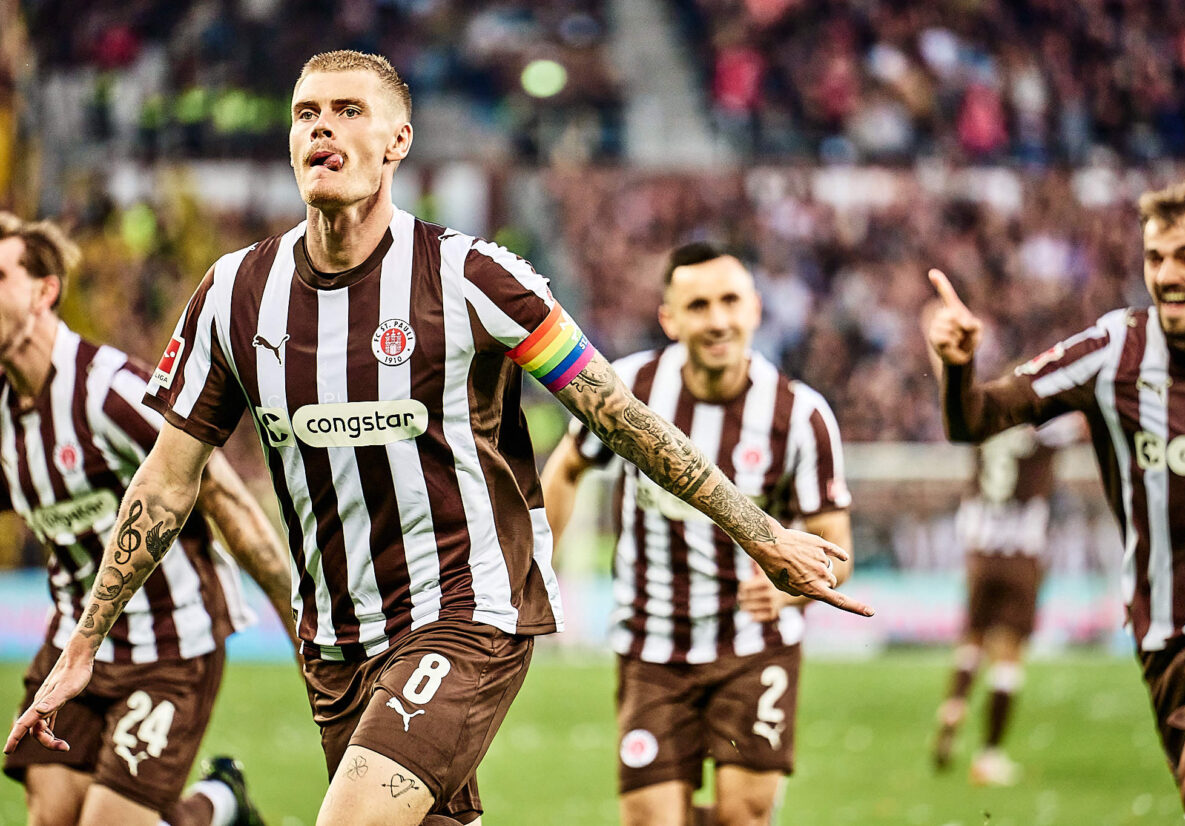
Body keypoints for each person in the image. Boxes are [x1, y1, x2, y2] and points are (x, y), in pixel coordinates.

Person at [5, 51, 873, 826]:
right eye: (307, 113)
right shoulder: (234, 293)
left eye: (349, 111)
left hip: (465, 614)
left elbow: (621, 415)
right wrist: (82, 645)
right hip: (337, 642)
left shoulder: (473, 277)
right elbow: (165, 483)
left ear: (398, 142)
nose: (323, 128)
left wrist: (761, 534)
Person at [924, 177, 1185, 824]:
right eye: (1155, 258)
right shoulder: (1114, 351)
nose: (1167, 275)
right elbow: (976, 419)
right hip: (1164, 631)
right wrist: (958, 367)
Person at [541, 242, 855, 825]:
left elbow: (838, 548)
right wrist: (537, 572)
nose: (717, 320)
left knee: (743, 815)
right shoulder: (627, 389)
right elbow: (566, 468)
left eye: (730, 301)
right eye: (698, 305)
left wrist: (788, 593)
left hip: (754, 644)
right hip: (652, 644)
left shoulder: (801, 415)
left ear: (755, 308)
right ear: (670, 318)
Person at [0, 212, 296, 825]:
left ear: (44, 291)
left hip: (170, 644)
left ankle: (219, 804)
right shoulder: (5, 413)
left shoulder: (110, 390)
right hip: (74, 642)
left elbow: (225, 498)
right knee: (51, 818)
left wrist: (298, 620)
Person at [930, 415, 1080, 786]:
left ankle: (955, 702)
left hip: (981, 552)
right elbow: (1081, 420)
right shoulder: (1046, 431)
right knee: (1009, 655)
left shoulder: (983, 427)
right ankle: (989, 756)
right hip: (1021, 552)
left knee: (974, 637)